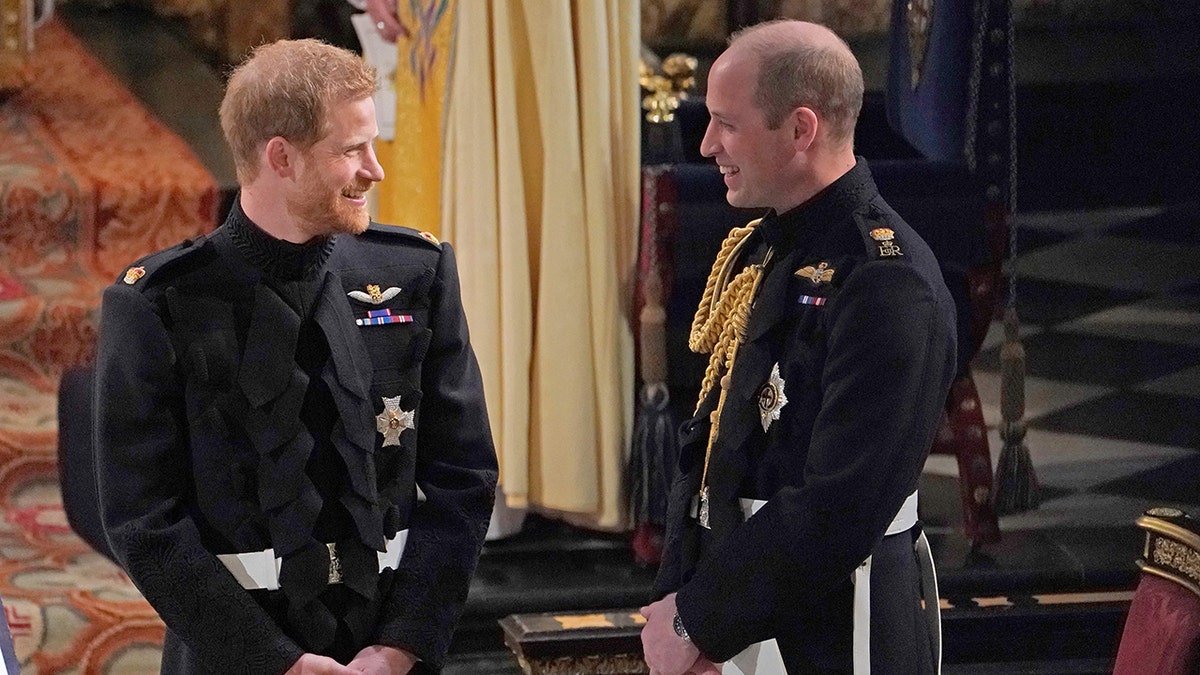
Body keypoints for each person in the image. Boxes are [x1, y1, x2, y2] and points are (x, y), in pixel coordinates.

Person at [92, 39, 497, 674]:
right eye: (350, 150)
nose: (375, 169)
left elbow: (463, 475)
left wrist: (403, 645)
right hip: (232, 659)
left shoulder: (415, 272)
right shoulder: (159, 303)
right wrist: (274, 662)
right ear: (281, 157)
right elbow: (141, 519)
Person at [641, 20, 956, 675]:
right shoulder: (771, 244)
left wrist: (698, 619)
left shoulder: (885, 282)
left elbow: (839, 505)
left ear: (800, 129)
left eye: (726, 123)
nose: (706, 144)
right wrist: (681, 600)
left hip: (837, 627)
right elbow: (712, 448)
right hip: (740, 605)